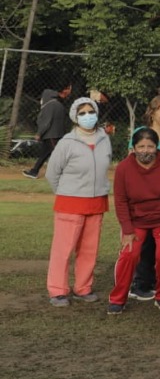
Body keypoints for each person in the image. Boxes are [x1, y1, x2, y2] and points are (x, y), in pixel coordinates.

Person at [45, 96, 112, 307]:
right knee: (63, 249)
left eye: (90, 112)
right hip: (69, 203)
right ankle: (58, 290)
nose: (87, 116)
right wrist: (66, 192)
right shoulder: (66, 142)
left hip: (97, 202)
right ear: (75, 117)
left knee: (89, 249)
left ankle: (83, 288)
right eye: (82, 113)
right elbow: (52, 173)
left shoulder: (104, 139)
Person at [108, 129, 160, 316]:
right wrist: (127, 230)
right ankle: (118, 298)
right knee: (129, 253)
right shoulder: (124, 168)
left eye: (150, 146)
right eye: (141, 146)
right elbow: (120, 200)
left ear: (157, 147)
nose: (145, 150)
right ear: (133, 148)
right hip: (135, 221)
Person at [24, 83, 73, 179]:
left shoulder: (49, 106)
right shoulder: (59, 105)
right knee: (45, 154)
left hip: (51, 135)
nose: (41, 100)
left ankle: (69, 173)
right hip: (57, 134)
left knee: (58, 154)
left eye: (42, 97)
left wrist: (39, 133)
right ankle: (34, 171)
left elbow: (47, 121)